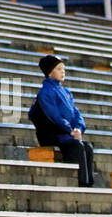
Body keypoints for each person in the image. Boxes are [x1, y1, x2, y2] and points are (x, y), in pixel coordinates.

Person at [29, 55, 95, 186]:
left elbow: (77, 114)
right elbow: (54, 116)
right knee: (77, 146)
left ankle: (88, 184)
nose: (63, 71)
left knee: (88, 147)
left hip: (67, 134)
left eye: (63, 69)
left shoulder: (66, 92)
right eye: (59, 69)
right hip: (53, 135)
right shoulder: (45, 92)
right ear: (49, 72)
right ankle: (78, 183)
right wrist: (71, 131)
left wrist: (79, 128)